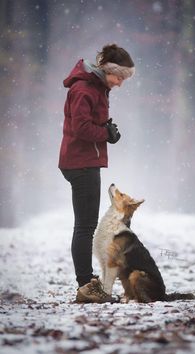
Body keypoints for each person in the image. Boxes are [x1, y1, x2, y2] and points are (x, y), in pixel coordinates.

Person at [58, 44, 135, 303]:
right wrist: (105, 134)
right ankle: (86, 286)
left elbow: (88, 122)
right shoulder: (84, 88)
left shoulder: (96, 87)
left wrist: (106, 129)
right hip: (81, 164)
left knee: (85, 226)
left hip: (83, 161)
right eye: (120, 77)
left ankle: (87, 283)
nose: (120, 83)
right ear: (108, 70)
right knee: (85, 227)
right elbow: (80, 128)